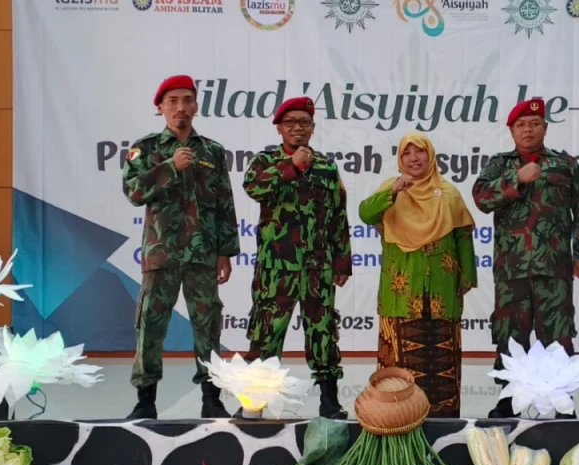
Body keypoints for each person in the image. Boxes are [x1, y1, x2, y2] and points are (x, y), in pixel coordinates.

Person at [473, 98, 579, 419]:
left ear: (545, 128)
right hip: (512, 268)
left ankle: (563, 404)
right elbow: (481, 198)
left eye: (535, 124)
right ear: (511, 130)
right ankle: (507, 401)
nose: (528, 130)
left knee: (557, 336)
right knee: (509, 335)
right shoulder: (500, 165)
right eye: (521, 125)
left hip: (554, 267)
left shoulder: (564, 164)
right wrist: (517, 179)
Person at [123, 74, 239, 420]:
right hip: (162, 253)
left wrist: (224, 252)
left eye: (187, 100)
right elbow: (133, 191)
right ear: (160, 107)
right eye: (172, 101)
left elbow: (224, 203)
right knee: (150, 325)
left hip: (202, 255)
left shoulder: (212, 151)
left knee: (208, 326)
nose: (180, 108)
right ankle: (145, 399)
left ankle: (211, 395)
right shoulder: (146, 149)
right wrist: (170, 167)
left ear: (196, 106)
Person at [243, 97, 352, 419]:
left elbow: (338, 215)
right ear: (279, 127)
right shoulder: (266, 160)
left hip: (318, 266)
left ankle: (329, 400)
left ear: (313, 128)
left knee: (323, 332)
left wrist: (342, 261)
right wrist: (290, 167)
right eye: (290, 122)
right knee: (266, 332)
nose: (297, 127)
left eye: (304, 122)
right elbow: (254, 188)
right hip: (277, 266)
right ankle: (255, 400)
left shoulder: (326, 167)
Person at [359, 132, 477, 417]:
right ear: (400, 159)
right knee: (399, 361)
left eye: (420, 152)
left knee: (442, 357)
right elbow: (365, 214)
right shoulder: (390, 190)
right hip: (401, 291)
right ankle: (397, 417)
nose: (414, 158)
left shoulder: (448, 193)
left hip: (442, 288)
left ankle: (444, 420)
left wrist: (468, 276)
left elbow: (462, 236)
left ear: (430, 155)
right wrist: (393, 192)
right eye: (407, 153)